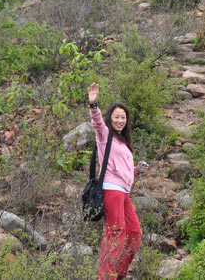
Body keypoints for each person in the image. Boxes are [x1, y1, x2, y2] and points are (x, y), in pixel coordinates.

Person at [87, 83, 147, 280]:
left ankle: (118, 274)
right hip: (111, 191)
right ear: (110, 118)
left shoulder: (122, 142)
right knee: (116, 234)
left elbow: (124, 170)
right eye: (117, 117)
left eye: (123, 117)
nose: (120, 120)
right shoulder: (105, 136)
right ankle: (106, 277)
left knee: (134, 233)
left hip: (124, 192)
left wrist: (136, 170)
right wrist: (94, 105)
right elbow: (97, 123)